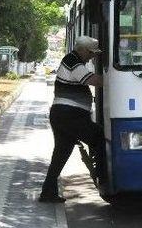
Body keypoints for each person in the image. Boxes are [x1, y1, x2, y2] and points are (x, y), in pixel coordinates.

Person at [39, 35, 104, 203]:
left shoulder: (75, 60)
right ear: (81, 49)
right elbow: (90, 80)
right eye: (91, 53)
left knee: (61, 154)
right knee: (99, 136)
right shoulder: (72, 60)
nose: (92, 56)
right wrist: (116, 78)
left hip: (64, 115)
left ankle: (48, 192)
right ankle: (102, 174)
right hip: (69, 115)